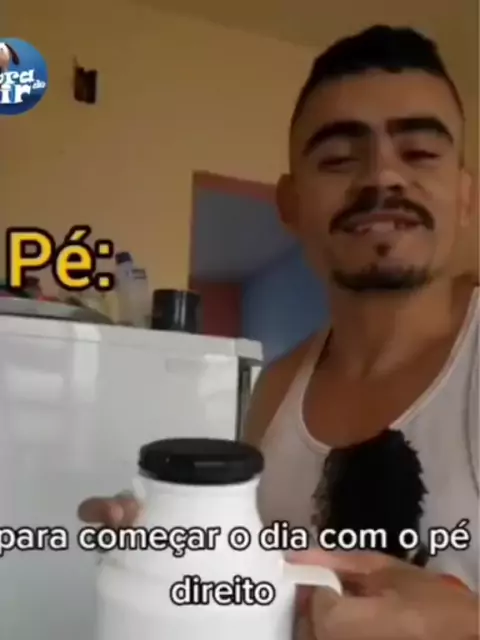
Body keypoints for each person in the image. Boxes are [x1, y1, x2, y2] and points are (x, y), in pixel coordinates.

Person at [78, 26, 479, 639]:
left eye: (420, 153)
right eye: (339, 158)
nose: (383, 178)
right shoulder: (275, 389)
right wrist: (181, 545)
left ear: (466, 197)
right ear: (290, 204)